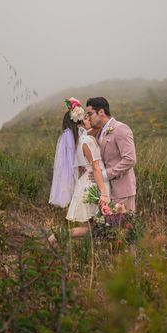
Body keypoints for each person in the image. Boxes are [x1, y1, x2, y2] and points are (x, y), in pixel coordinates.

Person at [48, 98, 110, 243]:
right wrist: (104, 193)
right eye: (86, 118)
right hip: (94, 183)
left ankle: (59, 239)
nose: (90, 120)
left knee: (95, 226)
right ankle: (55, 237)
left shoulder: (80, 140)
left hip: (87, 182)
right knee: (97, 227)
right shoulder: (86, 140)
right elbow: (95, 167)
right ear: (81, 124)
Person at [85, 97, 137, 212]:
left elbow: (130, 159)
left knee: (123, 228)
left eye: (90, 114)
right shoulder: (99, 132)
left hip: (123, 190)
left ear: (101, 112)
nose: (88, 118)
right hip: (108, 191)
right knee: (111, 228)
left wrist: (105, 174)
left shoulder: (120, 129)